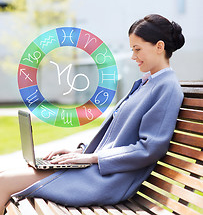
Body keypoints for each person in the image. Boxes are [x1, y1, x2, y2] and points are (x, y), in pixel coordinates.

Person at [0, 14, 185, 214]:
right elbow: (116, 139)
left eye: (137, 49)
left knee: (3, 182)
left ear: (159, 47)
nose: (133, 56)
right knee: (4, 176)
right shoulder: (146, 83)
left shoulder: (167, 88)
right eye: (132, 50)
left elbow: (150, 148)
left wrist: (92, 158)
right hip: (97, 171)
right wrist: (81, 153)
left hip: (106, 179)